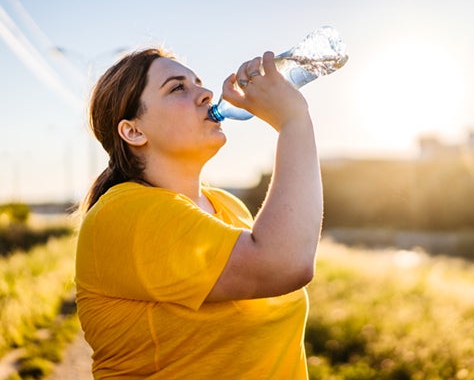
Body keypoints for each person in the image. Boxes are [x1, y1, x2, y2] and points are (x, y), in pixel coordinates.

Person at [75, 47, 323, 379]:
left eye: (199, 83)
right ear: (133, 131)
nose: (206, 94)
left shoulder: (227, 207)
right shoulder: (123, 213)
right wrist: (293, 122)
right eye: (178, 87)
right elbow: (284, 263)